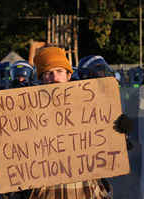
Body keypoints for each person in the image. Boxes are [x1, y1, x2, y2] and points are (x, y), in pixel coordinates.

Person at [30, 47, 122, 199]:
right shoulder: (26, 112)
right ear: (41, 78)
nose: (54, 77)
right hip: (46, 193)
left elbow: (109, 143)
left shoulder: (89, 105)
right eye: (48, 73)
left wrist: (120, 131)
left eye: (59, 71)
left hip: (86, 190)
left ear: (68, 75)